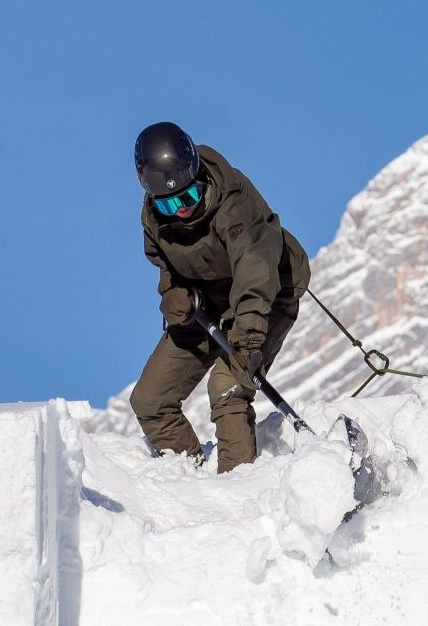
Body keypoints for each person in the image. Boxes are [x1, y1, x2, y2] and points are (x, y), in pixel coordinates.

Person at [128, 122, 311, 473]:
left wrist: (250, 335)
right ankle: (193, 482)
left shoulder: (233, 201)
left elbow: (254, 267)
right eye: (169, 205)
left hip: (267, 295)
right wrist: (172, 296)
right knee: (151, 400)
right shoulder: (154, 219)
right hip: (208, 305)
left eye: (188, 197)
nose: (181, 210)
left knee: (227, 386)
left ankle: (239, 488)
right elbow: (167, 269)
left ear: (199, 179)